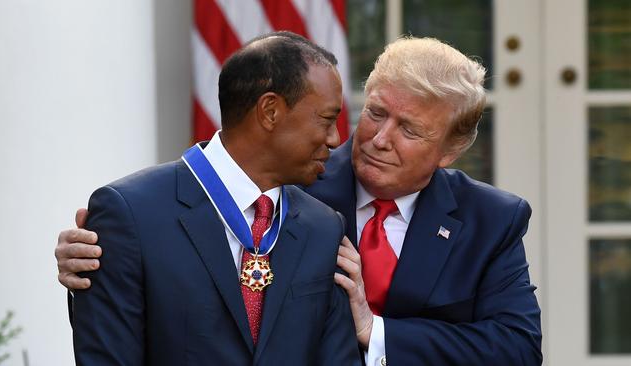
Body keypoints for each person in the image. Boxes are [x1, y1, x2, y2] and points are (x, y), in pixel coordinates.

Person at [57, 37, 542, 365]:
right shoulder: (290, 178)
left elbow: (518, 347)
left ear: (451, 150)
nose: (375, 138)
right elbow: (180, 225)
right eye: (374, 113)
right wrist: (106, 251)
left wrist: (376, 333)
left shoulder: (491, 220)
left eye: (410, 129)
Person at [66, 31, 361, 365]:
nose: (336, 139)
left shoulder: (324, 227)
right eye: (326, 120)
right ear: (270, 111)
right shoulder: (131, 214)